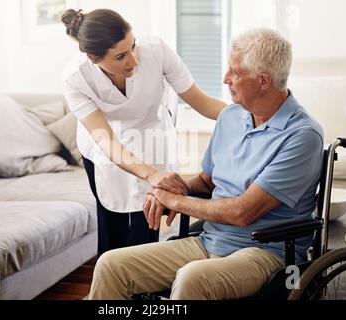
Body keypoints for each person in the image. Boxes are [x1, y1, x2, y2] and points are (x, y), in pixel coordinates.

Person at [89, 28, 324, 300]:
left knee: (193, 278)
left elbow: (241, 212)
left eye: (235, 72)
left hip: (265, 253)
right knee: (111, 266)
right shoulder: (231, 117)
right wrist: (169, 189)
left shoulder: (302, 136)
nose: (225, 79)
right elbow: (205, 182)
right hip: (209, 240)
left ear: (263, 81)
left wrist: (175, 202)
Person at [61, 9, 227, 257]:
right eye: (120, 56)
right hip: (105, 147)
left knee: (148, 221)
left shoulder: (156, 50)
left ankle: (145, 287)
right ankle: (111, 287)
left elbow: (200, 101)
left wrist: (253, 116)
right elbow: (106, 140)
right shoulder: (75, 78)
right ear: (94, 58)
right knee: (112, 225)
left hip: (150, 136)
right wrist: (151, 174)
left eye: (133, 47)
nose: (134, 60)